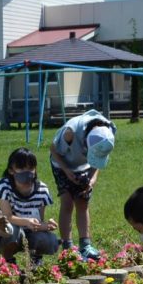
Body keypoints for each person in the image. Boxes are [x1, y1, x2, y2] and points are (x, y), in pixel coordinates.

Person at [49, 109, 116, 260]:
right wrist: (66, 171)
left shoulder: (107, 133)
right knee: (67, 202)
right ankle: (67, 247)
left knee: (83, 202)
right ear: (85, 141)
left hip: (84, 166)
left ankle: (85, 245)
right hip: (62, 163)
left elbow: (99, 157)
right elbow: (53, 149)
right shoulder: (70, 132)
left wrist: (92, 179)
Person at [0, 147, 57, 265]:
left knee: (50, 240)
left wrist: (47, 225)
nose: (26, 172)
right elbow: (7, 217)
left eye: (30, 168)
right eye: (21, 168)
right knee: (12, 230)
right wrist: (27, 221)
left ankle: (35, 259)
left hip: (30, 232)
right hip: (8, 231)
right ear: (11, 170)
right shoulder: (3, 186)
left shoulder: (42, 190)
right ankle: (9, 261)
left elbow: (38, 221)